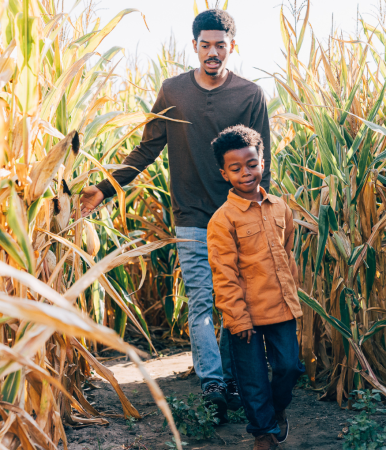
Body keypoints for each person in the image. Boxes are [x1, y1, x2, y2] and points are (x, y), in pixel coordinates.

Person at [78, 9, 271, 422]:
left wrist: (265, 217)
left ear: (231, 47)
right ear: (195, 46)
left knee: (234, 302)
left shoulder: (250, 95)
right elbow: (147, 149)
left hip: (238, 218)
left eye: (221, 45)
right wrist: (106, 187)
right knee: (201, 301)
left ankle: (231, 374)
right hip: (192, 218)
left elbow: (261, 164)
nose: (213, 53)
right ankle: (214, 385)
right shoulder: (173, 92)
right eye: (206, 45)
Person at [207, 125, 305, 450]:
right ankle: (262, 433)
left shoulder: (281, 208)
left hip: (281, 308)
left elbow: (287, 254)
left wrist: (293, 298)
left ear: (262, 163)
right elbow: (224, 273)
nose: (245, 173)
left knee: (289, 367)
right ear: (224, 173)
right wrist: (237, 318)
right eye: (235, 168)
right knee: (252, 380)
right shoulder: (223, 220)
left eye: (251, 164)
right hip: (245, 315)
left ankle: (277, 411)